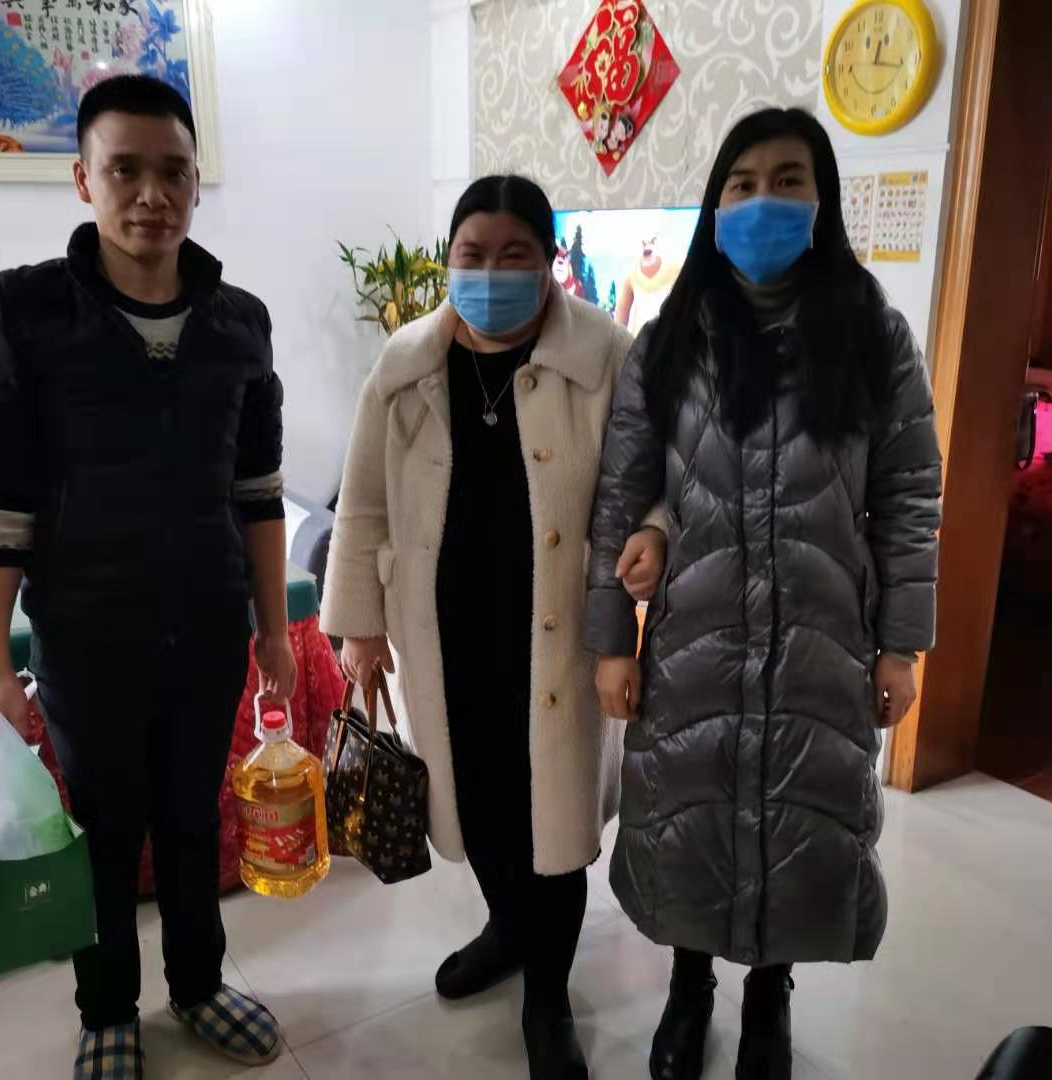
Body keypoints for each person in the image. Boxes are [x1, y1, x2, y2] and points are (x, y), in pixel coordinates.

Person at [584, 107, 944, 1080]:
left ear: (822, 202)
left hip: (820, 643)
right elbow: (621, 494)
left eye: (789, 181)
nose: (763, 202)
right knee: (694, 812)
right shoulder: (669, 340)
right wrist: (612, 639)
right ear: (715, 205)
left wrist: (901, 644)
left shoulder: (873, 336)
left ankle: (769, 993)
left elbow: (910, 495)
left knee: (794, 815)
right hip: (693, 638)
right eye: (741, 184)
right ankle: (688, 981)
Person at [0, 75, 294, 1079]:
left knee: (192, 817)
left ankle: (198, 984)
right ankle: (107, 1012)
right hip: (85, 632)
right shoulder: (22, 312)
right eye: (126, 171)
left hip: (206, 624)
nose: (153, 195)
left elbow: (259, 493)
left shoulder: (239, 323)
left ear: (196, 183)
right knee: (106, 831)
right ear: (82, 180)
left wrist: (274, 629)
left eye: (174, 172)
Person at [321, 174, 667, 1080]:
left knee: (551, 819)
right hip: (441, 631)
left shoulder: (607, 355)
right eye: (471, 255)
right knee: (473, 800)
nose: (490, 273)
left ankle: (548, 995)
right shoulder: (406, 362)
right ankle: (506, 929)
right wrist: (359, 626)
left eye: (515, 255)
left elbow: (655, 479)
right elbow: (362, 499)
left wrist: (654, 533)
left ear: (550, 260)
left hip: (558, 633)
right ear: (448, 259)